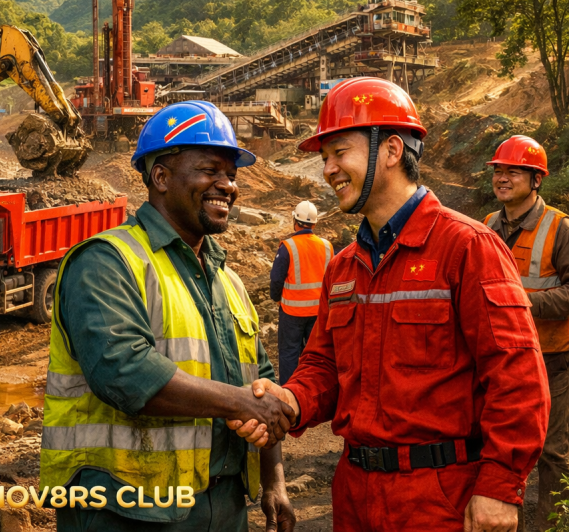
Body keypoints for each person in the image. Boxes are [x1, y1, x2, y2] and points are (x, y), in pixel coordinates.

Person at [244, 76, 549, 532]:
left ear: (390, 150)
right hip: (355, 493)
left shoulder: (467, 247)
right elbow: (323, 366)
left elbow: (517, 376)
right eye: (324, 158)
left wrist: (500, 487)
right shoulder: (344, 266)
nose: (328, 169)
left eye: (338, 152)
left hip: (440, 497)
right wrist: (291, 399)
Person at [40, 100, 296, 532]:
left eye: (231, 175)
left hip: (222, 506)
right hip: (125, 511)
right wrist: (237, 402)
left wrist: (273, 479)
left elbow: (261, 382)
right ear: (160, 176)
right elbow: (122, 372)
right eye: (210, 170)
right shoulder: (107, 262)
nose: (227, 186)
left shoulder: (227, 280)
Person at [486, 135, 569, 531]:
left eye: (512, 171)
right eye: (498, 171)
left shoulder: (560, 227)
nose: (502, 178)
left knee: (552, 452)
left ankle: (551, 525)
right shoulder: (488, 225)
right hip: (500, 356)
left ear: (536, 180)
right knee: (499, 443)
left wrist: (520, 303)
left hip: (552, 358)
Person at [270, 200, 334, 383]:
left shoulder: (288, 247)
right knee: (317, 354)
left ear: (295, 221)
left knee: (290, 353)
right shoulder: (327, 246)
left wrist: (276, 299)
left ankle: (290, 393)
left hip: (292, 312)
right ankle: (316, 387)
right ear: (314, 223)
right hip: (319, 312)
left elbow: (276, 279)